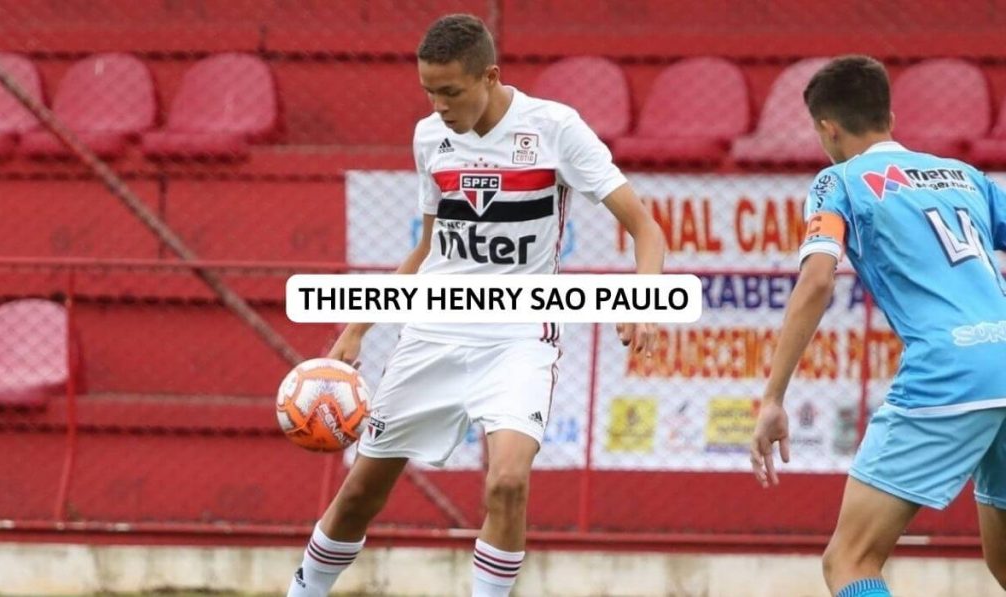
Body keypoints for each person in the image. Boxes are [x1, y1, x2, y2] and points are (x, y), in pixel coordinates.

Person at [287, 13, 664, 597]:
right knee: (361, 491)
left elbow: (645, 227)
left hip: (518, 338)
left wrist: (645, 299)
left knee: (507, 483)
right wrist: (359, 327)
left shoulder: (555, 128)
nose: (439, 106)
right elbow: (427, 248)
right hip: (433, 333)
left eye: (451, 91)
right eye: (429, 92)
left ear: (490, 76)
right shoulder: (429, 138)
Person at [750, 54, 1006, 597]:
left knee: (850, 561)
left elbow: (817, 282)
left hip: (950, 368)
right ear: (890, 115)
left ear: (827, 128)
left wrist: (773, 397)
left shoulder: (838, 182)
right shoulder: (965, 177)